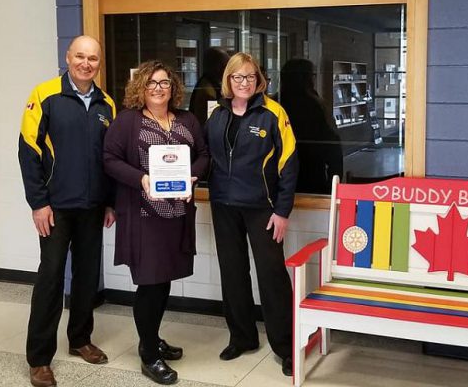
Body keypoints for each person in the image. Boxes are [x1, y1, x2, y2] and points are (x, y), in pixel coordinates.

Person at [18, 35, 116, 387]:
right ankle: (39, 358)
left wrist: (110, 201)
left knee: (88, 277)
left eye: (92, 58)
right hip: (56, 207)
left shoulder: (107, 104)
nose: (86, 63)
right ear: (68, 57)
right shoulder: (44, 95)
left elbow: (110, 159)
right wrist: (38, 203)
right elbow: (28, 152)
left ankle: (80, 340)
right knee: (50, 279)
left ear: (98, 63)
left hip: (92, 207)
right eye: (80, 56)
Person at [103, 60, 209, 384]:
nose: (159, 89)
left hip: (177, 216)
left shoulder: (187, 119)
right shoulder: (127, 122)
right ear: (141, 88)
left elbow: (204, 155)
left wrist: (193, 177)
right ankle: (149, 354)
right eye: (152, 83)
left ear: (173, 87)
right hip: (144, 216)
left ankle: (152, 337)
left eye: (164, 83)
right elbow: (109, 159)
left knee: (163, 281)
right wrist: (141, 179)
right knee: (149, 284)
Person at [205, 52, 298, 377]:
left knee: (271, 276)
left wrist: (283, 211)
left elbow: (288, 164)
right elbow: (206, 156)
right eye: (236, 77)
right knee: (232, 273)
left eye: (249, 76)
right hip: (223, 205)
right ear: (228, 81)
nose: (243, 83)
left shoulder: (274, 113)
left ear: (259, 79)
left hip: (264, 208)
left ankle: (287, 347)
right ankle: (242, 337)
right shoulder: (217, 114)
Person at [279, 58, 343, 194]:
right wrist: (333, 183)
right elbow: (333, 144)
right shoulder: (315, 105)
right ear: (306, 79)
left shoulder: (273, 104)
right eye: (312, 76)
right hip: (311, 176)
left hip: (279, 178)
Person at [188, 47, 230, 126]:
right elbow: (215, 122)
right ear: (217, 67)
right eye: (226, 66)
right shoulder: (207, 90)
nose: (229, 70)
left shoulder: (211, 84)